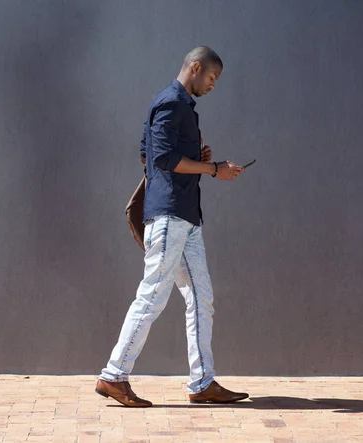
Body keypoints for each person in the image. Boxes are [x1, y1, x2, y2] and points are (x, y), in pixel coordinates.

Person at [96, 46, 249, 407]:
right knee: (152, 295)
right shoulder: (171, 103)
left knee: (201, 298)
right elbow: (161, 158)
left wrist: (197, 160)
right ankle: (114, 375)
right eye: (211, 77)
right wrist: (213, 169)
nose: (213, 85)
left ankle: (202, 382)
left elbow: (147, 152)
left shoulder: (180, 107)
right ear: (195, 68)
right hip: (169, 217)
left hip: (186, 218)